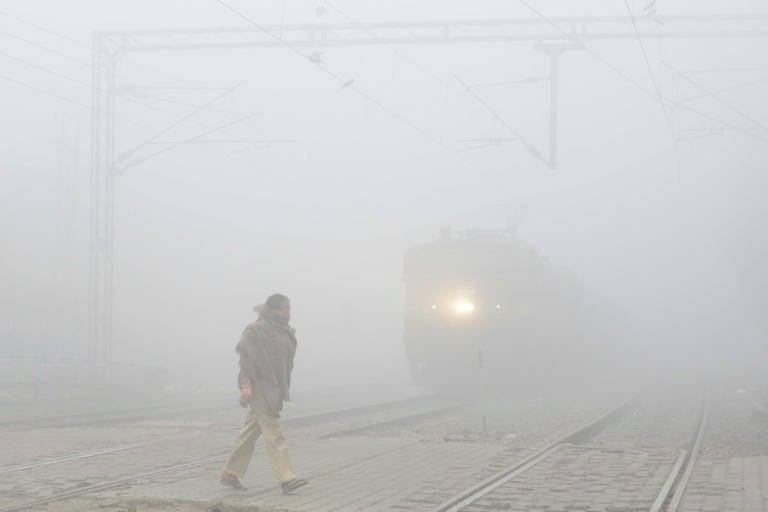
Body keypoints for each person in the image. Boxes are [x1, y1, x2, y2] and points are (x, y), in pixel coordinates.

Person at [220, 293, 309, 494]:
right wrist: (245, 385)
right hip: (260, 386)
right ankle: (287, 479)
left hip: (274, 386)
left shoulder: (283, 330)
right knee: (274, 431)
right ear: (275, 309)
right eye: (286, 309)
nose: (289, 313)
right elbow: (245, 358)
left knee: (251, 431)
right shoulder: (256, 330)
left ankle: (230, 473)